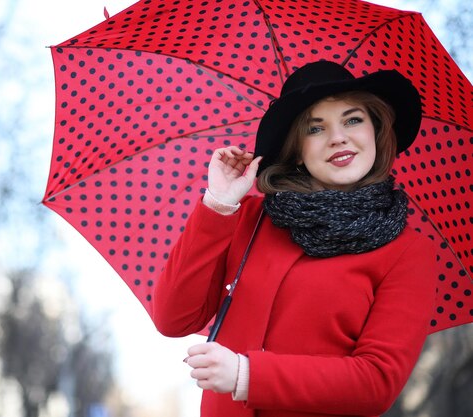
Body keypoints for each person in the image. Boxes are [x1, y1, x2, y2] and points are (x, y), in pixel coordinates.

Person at [151, 60, 437, 417]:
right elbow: (172, 318)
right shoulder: (251, 219)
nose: (337, 137)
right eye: (315, 129)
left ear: (375, 131)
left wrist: (246, 375)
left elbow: (377, 381)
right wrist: (219, 203)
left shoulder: (409, 252)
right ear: (298, 151)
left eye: (353, 119)